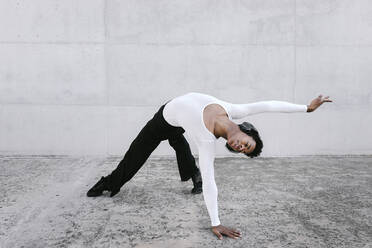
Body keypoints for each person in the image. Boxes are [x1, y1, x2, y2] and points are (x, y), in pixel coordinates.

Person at [87, 92, 332, 240]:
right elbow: (268, 105)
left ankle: (109, 183)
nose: (241, 147)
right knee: (165, 146)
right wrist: (306, 109)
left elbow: (212, 181)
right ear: (249, 132)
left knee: (154, 150)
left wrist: (215, 222)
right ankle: (186, 174)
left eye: (242, 151)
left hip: (170, 120)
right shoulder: (235, 110)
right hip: (168, 116)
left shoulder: (206, 142)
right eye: (247, 145)